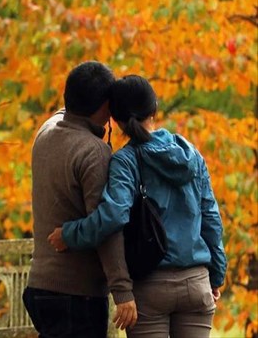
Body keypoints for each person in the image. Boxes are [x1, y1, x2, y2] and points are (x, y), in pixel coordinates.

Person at [48, 75, 227, 337]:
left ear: (115, 119)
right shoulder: (190, 153)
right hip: (196, 283)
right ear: (154, 108)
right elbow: (211, 217)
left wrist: (69, 234)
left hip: (150, 288)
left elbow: (113, 215)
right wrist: (216, 276)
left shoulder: (125, 161)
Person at [23, 61, 137, 338]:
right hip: (76, 295)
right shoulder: (93, 152)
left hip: (39, 286)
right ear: (105, 107)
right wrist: (122, 291)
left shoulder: (46, 132)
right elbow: (106, 224)